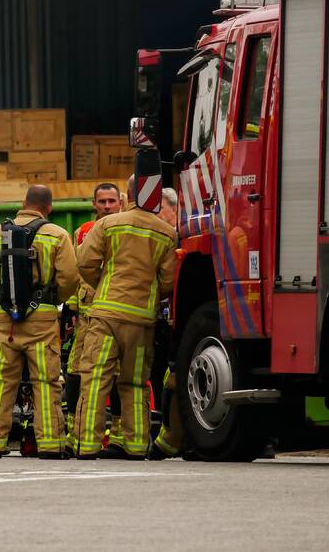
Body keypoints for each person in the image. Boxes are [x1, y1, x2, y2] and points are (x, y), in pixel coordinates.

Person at [73, 175, 177, 459]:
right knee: (134, 383)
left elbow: (84, 262)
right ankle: (135, 445)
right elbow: (168, 281)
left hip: (106, 315)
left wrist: (104, 283)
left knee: (95, 381)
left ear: (125, 197)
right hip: (142, 321)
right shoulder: (166, 233)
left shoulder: (107, 224)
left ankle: (87, 445)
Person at [0, 185, 79, 458]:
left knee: (1, 383)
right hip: (42, 320)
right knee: (46, 382)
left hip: (4, 320)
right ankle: (51, 444)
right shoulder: (57, 235)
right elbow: (69, 279)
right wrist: (53, 301)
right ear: (49, 207)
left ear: (23, 203)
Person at [63, 183, 121, 450]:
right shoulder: (83, 232)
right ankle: (74, 428)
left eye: (111, 201)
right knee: (75, 371)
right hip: (86, 317)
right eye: (102, 201)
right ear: (94, 204)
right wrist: (72, 309)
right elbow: (76, 273)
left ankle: (118, 429)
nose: (107, 206)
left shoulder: (126, 228)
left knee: (118, 375)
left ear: (120, 202)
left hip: (117, 313)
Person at [149, 187, 185, 461]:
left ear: (175, 208)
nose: (155, 216)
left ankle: (171, 439)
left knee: (172, 376)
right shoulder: (158, 237)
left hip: (173, 321)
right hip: (157, 320)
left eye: (159, 209)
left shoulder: (181, 238)